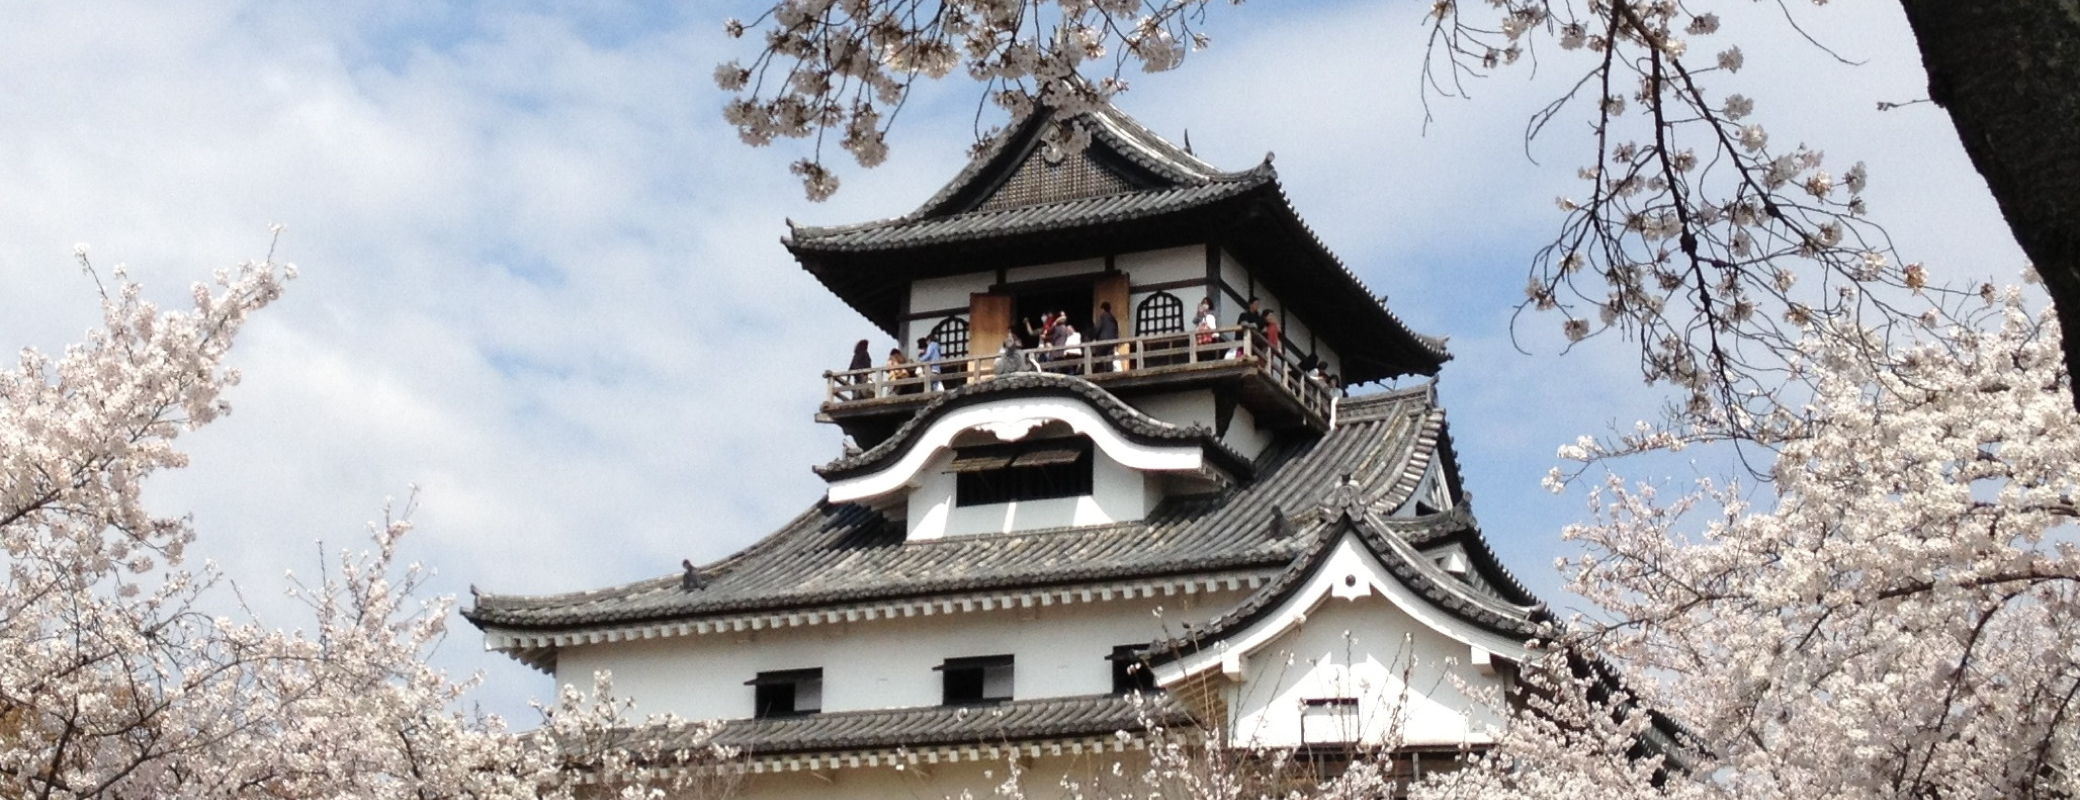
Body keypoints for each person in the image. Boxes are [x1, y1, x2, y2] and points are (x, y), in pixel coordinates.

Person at [1091, 301, 1120, 373]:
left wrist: (1093, 337)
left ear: (1103, 309)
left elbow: (1098, 328)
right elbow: (1116, 332)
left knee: (1099, 356)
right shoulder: (1113, 319)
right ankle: (1110, 371)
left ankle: (1097, 371)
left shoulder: (1103, 317)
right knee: (1110, 357)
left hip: (1103, 340)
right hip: (1112, 342)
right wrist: (1116, 343)